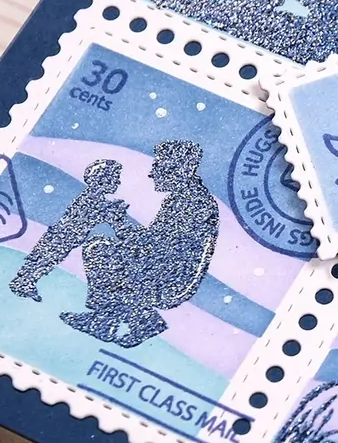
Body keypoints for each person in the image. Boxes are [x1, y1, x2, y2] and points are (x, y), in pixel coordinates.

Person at [59, 140, 220, 349]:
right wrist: (121, 226)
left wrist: (119, 223)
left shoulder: (192, 203)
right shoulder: (185, 198)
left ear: (179, 169)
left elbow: (154, 249)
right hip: (161, 268)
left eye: (158, 166)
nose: (152, 174)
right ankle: (118, 321)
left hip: (169, 278)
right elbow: (154, 245)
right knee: (105, 249)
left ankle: (129, 321)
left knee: (99, 251)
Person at [9, 158, 130, 301]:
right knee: (46, 258)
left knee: (47, 259)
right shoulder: (93, 199)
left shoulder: (95, 199)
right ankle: (23, 282)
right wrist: (114, 213)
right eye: (115, 177)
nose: (118, 182)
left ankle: (25, 281)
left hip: (65, 236)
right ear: (102, 179)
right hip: (64, 236)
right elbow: (105, 216)